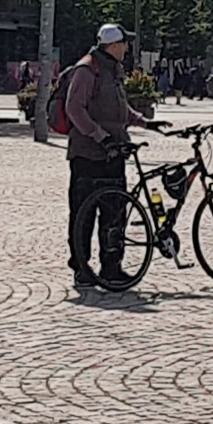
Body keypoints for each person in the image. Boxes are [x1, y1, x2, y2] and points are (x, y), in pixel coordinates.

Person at [63, 23, 151, 290]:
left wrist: (145, 122)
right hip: (88, 155)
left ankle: (112, 267)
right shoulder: (87, 69)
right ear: (113, 45)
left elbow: (119, 108)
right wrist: (100, 136)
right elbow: (74, 109)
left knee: (114, 212)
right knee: (84, 214)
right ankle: (82, 269)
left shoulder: (114, 70)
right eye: (125, 43)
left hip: (114, 153)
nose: (127, 48)